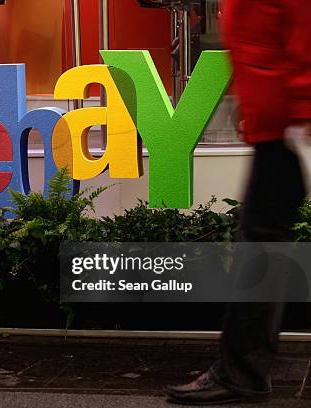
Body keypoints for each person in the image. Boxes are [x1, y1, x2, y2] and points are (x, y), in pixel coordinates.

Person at [165, 0, 310, 404]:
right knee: (261, 242)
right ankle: (243, 370)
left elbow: (300, 31)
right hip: (276, 122)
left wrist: (301, 110)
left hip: (287, 126)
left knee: (260, 244)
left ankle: (242, 372)